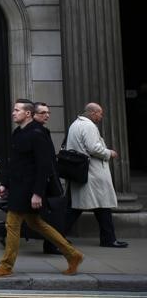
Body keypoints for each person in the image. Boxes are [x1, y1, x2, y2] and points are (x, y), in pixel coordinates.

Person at [0, 100, 83, 278]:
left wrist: (38, 193)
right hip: (18, 186)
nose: (13, 113)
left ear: (27, 113)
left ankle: (6, 266)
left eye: (17, 110)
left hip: (29, 189)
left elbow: (44, 165)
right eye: (13, 109)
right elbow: (14, 163)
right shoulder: (18, 133)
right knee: (36, 223)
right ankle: (72, 254)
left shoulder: (38, 133)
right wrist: (5, 183)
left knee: (12, 224)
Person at [63, 102, 128, 248]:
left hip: (85, 173)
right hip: (93, 173)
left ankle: (109, 238)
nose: (101, 116)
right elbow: (93, 148)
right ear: (93, 113)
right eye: (100, 113)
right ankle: (56, 237)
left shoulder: (75, 124)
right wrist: (109, 153)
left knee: (99, 207)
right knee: (80, 208)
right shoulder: (88, 126)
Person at [33, 102, 65, 255]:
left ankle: (54, 244)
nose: (47, 115)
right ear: (33, 114)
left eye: (48, 112)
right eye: (43, 112)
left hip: (46, 179)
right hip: (43, 181)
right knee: (48, 216)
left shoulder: (43, 131)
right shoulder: (37, 132)